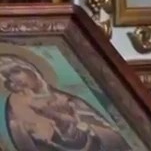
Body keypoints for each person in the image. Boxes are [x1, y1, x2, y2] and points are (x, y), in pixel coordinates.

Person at [0, 57, 131, 150]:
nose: (13, 81)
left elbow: (113, 137)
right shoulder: (16, 106)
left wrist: (81, 127)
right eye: (7, 81)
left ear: (30, 68)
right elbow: (23, 142)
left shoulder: (68, 100)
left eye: (15, 71)